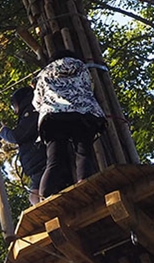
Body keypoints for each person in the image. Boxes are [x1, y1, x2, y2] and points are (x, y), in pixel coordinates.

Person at [33, 49, 106, 199]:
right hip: (83, 114)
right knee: (84, 153)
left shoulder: (45, 73)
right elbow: (89, 88)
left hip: (53, 116)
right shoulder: (82, 68)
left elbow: (37, 101)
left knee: (54, 159)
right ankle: (84, 184)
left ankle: (45, 194)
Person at [0, 85, 46, 205]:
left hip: (41, 161)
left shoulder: (31, 111)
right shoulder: (30, 112)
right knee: (35, 197)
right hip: (37, 164)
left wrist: (4, 131)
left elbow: (18, 136)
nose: (14, 110)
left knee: (42, 195)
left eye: (14, 106)